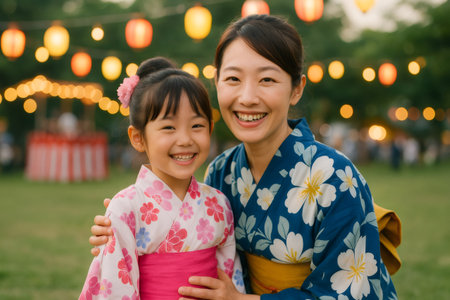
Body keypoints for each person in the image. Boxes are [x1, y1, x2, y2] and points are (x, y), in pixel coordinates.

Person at [90, 15, 401, 299]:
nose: (248, 97)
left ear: (296, 89)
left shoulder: (335, 177)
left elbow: (348, 292)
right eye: (233, 79)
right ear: (217, 84)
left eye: (267, 79)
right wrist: (125, 225)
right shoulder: (222, 172)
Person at [79, 57, 245, 300]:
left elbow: (231, 275)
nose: (185, 139)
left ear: (210, 129)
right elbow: (116, 287)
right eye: (169, 127)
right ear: (138, 138)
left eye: (196, 126)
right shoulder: (126, 207)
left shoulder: (218, 204)